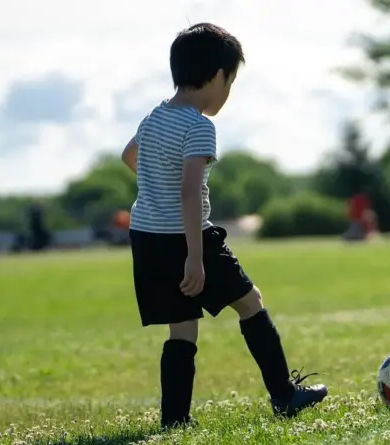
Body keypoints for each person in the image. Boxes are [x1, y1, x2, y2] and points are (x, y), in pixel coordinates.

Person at [119, 23, 327, 429]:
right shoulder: (199, 126)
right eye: (230, 82)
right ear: (218, 76)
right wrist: (195, 258)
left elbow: (130, 155)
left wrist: (154, 189)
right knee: (251, 303)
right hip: (186, 240)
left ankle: (175, 421)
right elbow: (190, 192)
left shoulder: (155, 117)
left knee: (182, 329)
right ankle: (284, 395)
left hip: (146, 237)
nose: (227, 92)